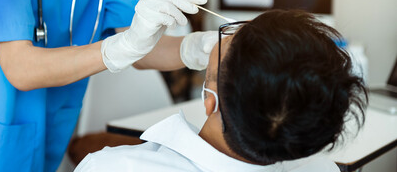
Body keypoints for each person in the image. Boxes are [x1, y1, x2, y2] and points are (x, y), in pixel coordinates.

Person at [0, 0, 216, 171]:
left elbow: (141, 46)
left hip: (53, 125)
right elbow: (20, 67)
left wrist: (194, 48)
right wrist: (118, 48)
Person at [75, 10, 368, 172]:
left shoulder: (111, 167)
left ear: (209, 99)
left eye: (234, 40)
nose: (232, 34)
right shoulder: (322, 170)